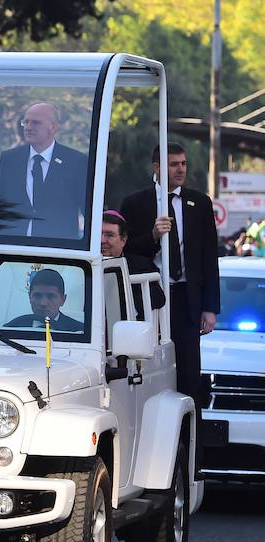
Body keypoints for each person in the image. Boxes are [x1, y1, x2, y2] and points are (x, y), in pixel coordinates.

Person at [119, 142, 220, 467]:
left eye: (183, 163)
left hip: (187, 300)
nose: (181, 169)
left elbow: (208, 257)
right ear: (157, 167)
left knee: (190, 378)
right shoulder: (136, 203)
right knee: (153, 375)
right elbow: (123, 252)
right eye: (173, 164)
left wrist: (210, 307)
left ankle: (193, 462)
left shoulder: (199, 203)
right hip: (151, 302)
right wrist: (151, 235)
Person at [0, 102, 88, 239]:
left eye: (36, 123)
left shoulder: (76, 161)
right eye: (26, 122)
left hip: (58, 249)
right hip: (13, 246)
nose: (28, 127)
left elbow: (87, 209)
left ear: (53, 128)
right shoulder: (10, 158)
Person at [101, 210, 165, 320]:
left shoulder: (141, 265)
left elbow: (158, 297)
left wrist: (124, 306)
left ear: (123, 240)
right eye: (99, 234)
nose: (102, 240)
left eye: (109, 235)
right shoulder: (83, 263)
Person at [4, 268, 83, 331]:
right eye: (37, 296)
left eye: (51, 296)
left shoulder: (80, 331)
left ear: (63, 300)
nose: (43, 303)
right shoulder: (10, 329)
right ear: (30, 297)